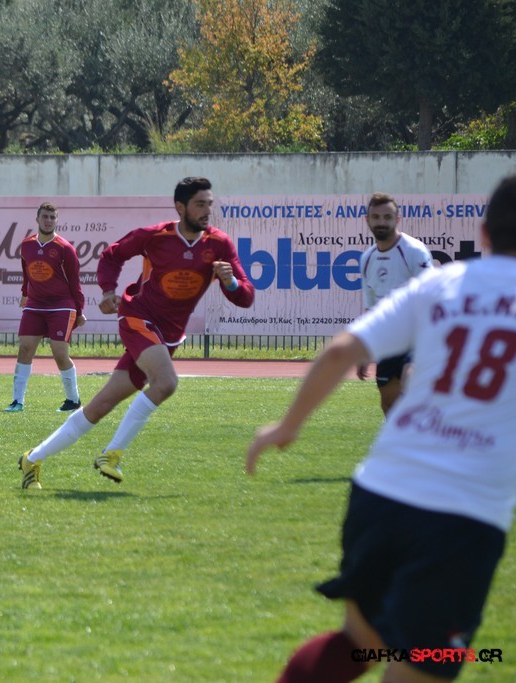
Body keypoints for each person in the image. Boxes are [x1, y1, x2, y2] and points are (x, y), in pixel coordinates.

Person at [245, 176, 516, 683]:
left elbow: (340, 351)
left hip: (381, 491)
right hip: (462, 515)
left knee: (360, 644)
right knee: (423, 664)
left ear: (483, 233)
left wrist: (287, 426)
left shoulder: (441, 284)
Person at [18, 177, 255, 489]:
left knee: (100, 406)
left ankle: (33, 458)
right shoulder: (155, 236)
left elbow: (246, 296)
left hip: (169, 335)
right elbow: (112, 255)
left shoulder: (219, 244)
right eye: (200, 204)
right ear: (180, 207)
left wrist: (230, 282)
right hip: (138, 317)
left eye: (209, 204)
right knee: (166, 383)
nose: (207, 210)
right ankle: (111, 454)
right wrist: (108, 291)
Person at [5, 202, 87, 413]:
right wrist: (25, 293)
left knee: (59, 352)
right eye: (45, 216)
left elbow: (75, 283)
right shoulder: (27, 245)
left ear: (57, 220)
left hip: (61, 305)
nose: (48, 220)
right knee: (25, 348)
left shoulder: (65, 248)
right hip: (35, 304)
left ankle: (73, 400)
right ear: (37, 219)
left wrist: (79, 311)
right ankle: (17, 401)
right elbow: (26, 273)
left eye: (52, 217)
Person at [356, 193, 434, 415]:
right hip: (389, 342)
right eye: (376, 217)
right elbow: (371, 310)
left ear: (397, 219)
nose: (381, 222)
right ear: (367, 220)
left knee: (410, 387)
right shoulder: (367, 259)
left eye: (387, 217)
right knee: (389, 405)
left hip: (417, 337)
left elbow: (432, 295)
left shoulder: (414, 251)